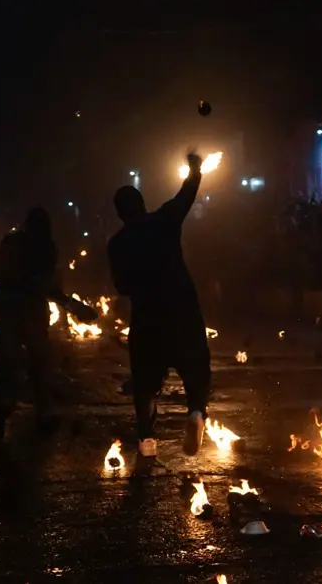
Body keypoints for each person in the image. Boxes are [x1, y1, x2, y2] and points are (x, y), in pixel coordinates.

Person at [107, 153, 210, 458]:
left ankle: (146, 438)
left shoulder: (118, 243)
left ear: (120, 214)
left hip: (147, 318)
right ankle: (195, 412)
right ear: (142, 204)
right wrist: (195, 168)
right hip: (183, 311)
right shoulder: (164, 220)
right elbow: (186, 194)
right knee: (196, 369)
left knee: (144, 383)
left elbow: (121, 286)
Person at [0, 208, 73, 441]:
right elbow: (45, 284)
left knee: (9, 368)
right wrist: (70, 304)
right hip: (29, 315)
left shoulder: (11, 243)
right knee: (39, 366)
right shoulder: (44, 247)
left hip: (7, 313)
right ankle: (42, 417)